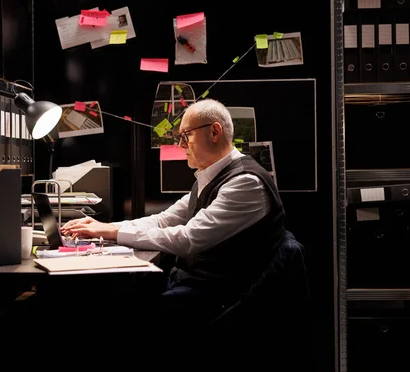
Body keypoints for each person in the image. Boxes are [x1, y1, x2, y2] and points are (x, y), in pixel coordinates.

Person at [60, 99, 286, 328]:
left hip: (223, 297)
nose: (180, 145)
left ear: (215, 131)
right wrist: (107, 227)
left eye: (186, 135)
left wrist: (111, 232)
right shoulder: (210, 176)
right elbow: (163, 220)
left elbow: (188, 239)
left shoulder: (246, 183)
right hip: (197, 283)